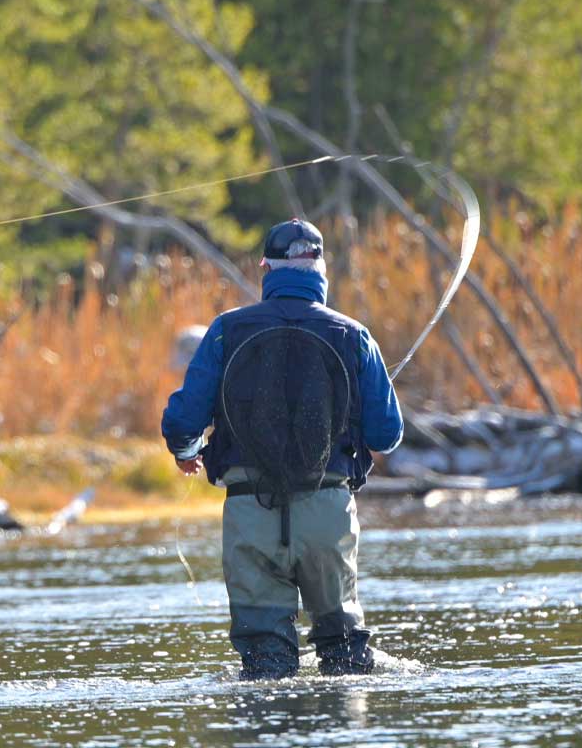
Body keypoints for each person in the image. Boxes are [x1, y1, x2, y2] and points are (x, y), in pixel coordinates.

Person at [160, 219, 404, 680]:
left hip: (250, 511)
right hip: (328, 513)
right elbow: (386, 435)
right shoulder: (356, 335)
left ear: (265, 268)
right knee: (346, 654)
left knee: (264, 663)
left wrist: (187, 450)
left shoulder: (224, 331)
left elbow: (183, 420)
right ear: (321, 267)